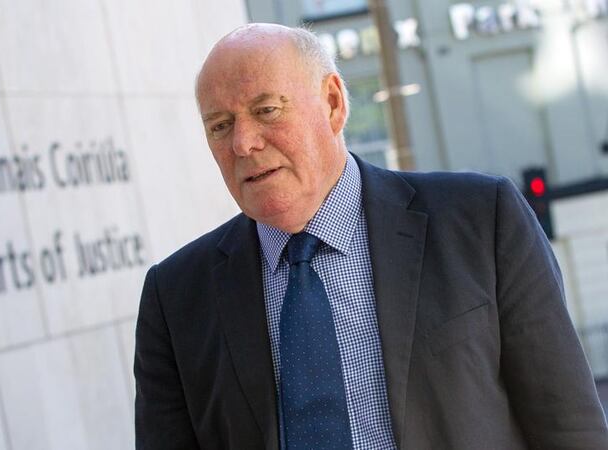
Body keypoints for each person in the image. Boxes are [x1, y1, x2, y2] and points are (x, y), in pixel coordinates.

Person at [133, 23, 608, 449]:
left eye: (267, 110)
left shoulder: (482, 219)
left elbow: (569, 427)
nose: (243, 143)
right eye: (221, 126)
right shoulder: (174, 298)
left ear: (333, 104)